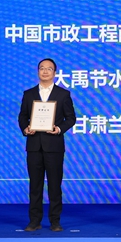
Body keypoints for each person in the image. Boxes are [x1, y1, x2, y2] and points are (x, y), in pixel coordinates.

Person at [18, 58, 77, 232]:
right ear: (38, 71)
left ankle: (55, 221)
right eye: (42, 68)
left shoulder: (63, 94)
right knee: (35, 185)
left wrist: (59, 129)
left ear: (54, 73)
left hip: (54, 146)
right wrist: (25, 128)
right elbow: (22, 116)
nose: (45, 71)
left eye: (49, 69)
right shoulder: (29, 94)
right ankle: (34, 221)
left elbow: (71, 118)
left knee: (54, 185)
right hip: (34, 145)